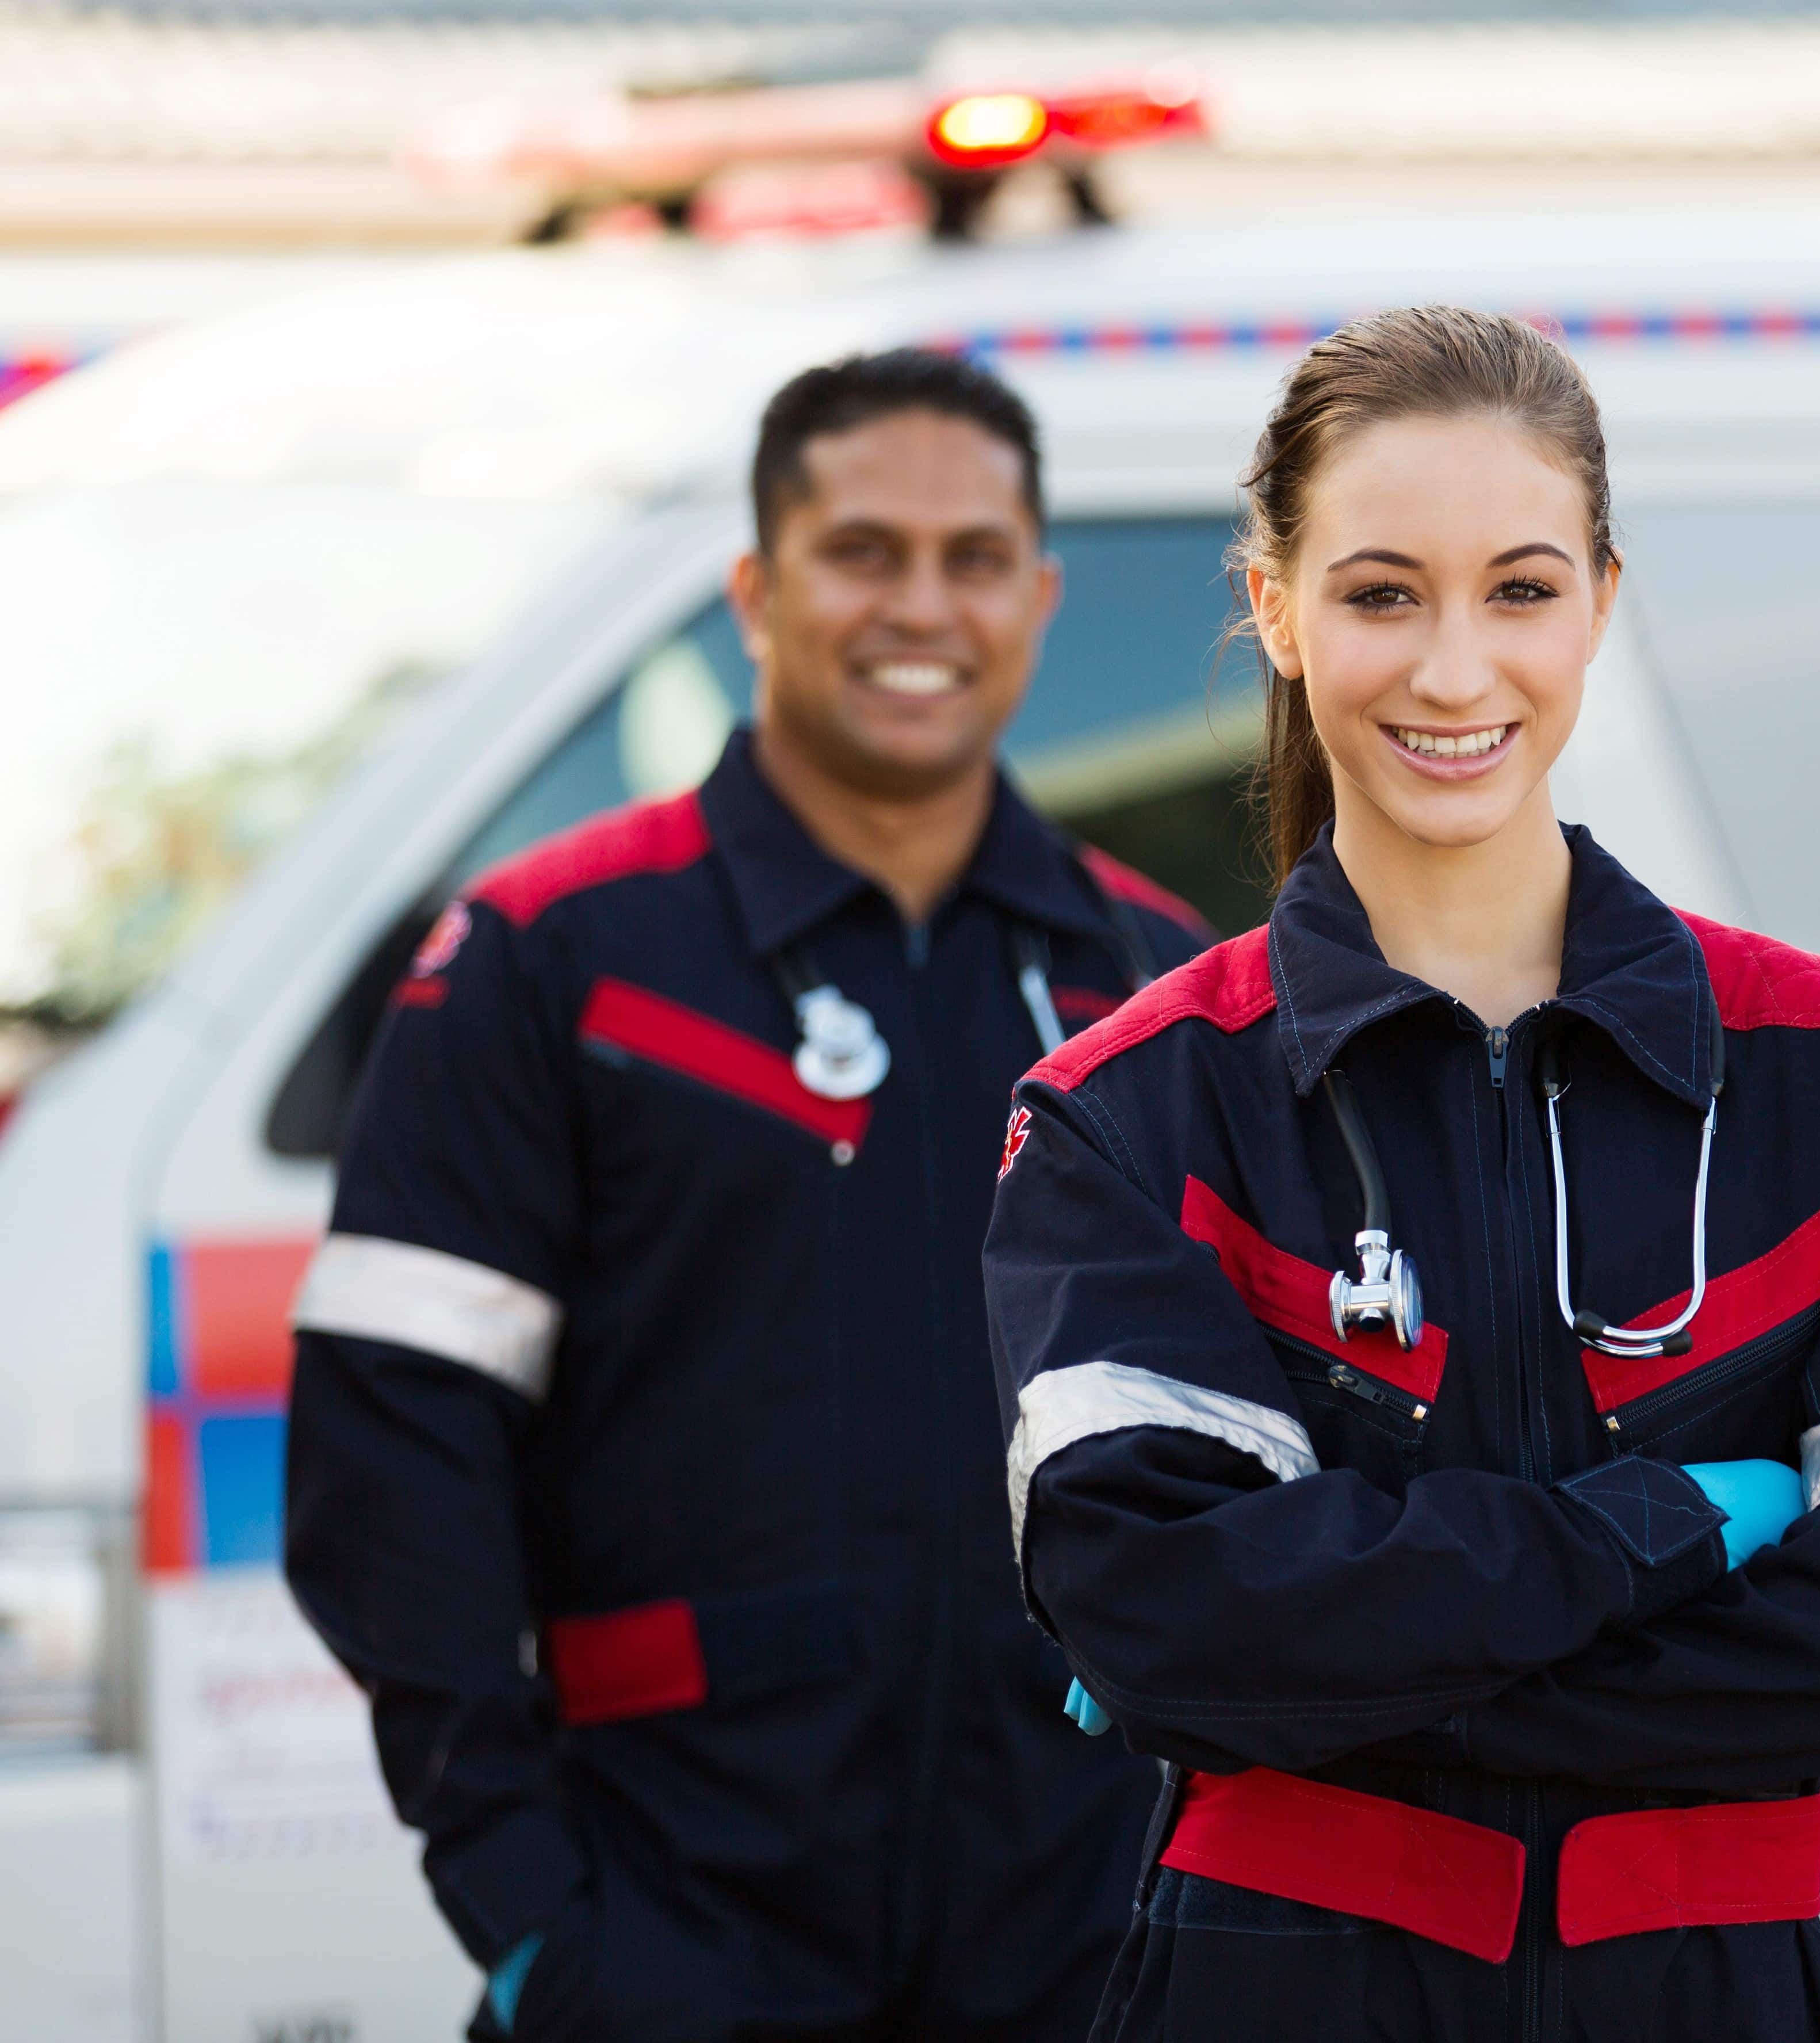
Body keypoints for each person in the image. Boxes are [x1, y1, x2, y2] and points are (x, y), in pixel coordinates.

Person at [980, 305, 1820, 2041]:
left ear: (1601, 603)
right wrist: (1663, 1524)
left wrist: (1344, 1680)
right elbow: (1165, 1614)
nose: (1454, 671)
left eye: (1518, 590)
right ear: (1275, 608)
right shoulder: (1132, 1113)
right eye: (1381, 594)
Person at [282, 348, 1212, 2042]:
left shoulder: (1160, 989)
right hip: (667, 1944)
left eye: (974, 557)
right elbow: (391, 1464)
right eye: (862, 551)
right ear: (755, 594)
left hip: (1090, 1953)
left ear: (1038, 598)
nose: (920, 605)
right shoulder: (552, 956)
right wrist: (532, 1921)